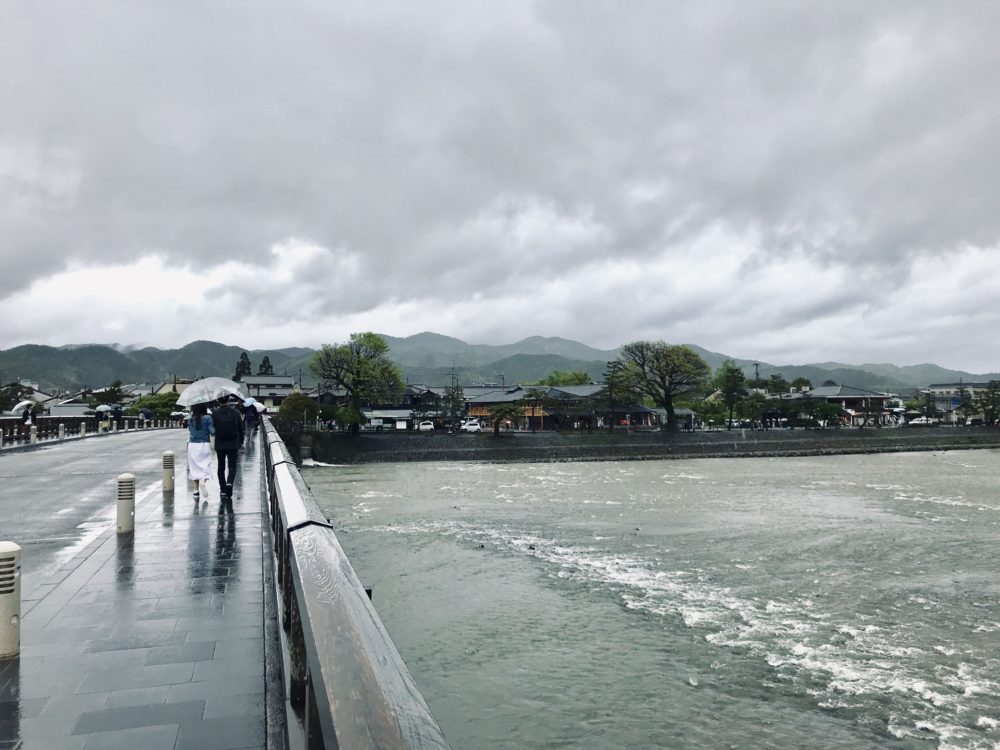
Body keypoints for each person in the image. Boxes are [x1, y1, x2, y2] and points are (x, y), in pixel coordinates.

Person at [212, 397, 244, 500]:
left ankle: (222, 490)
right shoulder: (235, 412)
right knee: (232, 466)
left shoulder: (215, 413)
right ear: (228, 400)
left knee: (221, 467)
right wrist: (241, 441)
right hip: (233, 443)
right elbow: (240, 428)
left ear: (218, 401)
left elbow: (212, 430)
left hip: (220, 444)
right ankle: (229, 483)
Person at [187, 403, 214, 500]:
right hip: (204, 444)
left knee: (194, 467)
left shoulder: (190, 419)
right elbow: (212, 431)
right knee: (205, 466)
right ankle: (202, 481)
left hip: (193, 445)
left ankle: (196, 491)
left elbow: (190, 430)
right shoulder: (208, 418)